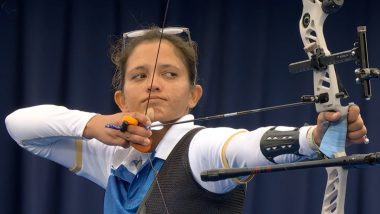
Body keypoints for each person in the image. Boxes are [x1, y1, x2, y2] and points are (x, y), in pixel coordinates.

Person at [5, 27, 367, 214]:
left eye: (170, 74)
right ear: (121, 98)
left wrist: (315, 137)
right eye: (139, 76)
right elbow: (20, 126)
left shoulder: (200, 150)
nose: (153, 84)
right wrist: (94, 124)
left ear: (194, 95)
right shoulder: (111, 159)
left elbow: (245, 146)